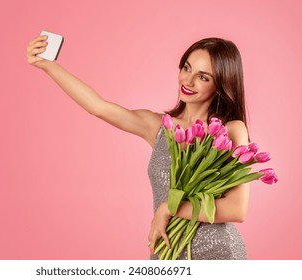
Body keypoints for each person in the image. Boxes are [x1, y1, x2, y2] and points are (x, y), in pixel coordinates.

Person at [26, 34, 249, 260]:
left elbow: (236, 209)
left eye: (203, 77)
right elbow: (98, 107)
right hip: (166, 251)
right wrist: (48, 66)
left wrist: (170, 208)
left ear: (221, 84)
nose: (188, 81)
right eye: (186, 68)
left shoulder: (230, 131)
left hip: (218, 254)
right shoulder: (160, 127)